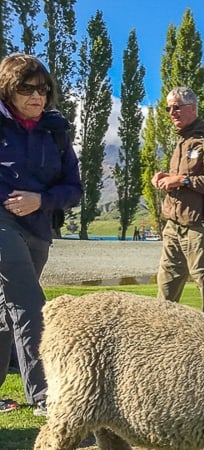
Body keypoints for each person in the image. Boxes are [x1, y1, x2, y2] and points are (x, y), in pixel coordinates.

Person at [0, 53, 82, 415]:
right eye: (27, 88)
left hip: (39, 226)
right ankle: (44, 396)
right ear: (7, 90)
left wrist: (42, 200)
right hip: (2, 224)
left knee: (5, 311)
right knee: (28, 301)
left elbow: (75, 189)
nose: (37, 96)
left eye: (43, 89)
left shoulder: (56, 130)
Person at [151, 87, 204, 317]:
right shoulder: (181, 141)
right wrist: (164, 178)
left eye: (177, 107)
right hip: (173, 226)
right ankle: (161, 338)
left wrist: (181, 180)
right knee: (165, 289)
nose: (171, 112)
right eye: (168, 108)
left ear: (192, 108)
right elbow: (180, 180)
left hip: (198, 227)